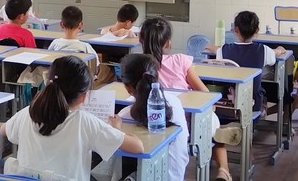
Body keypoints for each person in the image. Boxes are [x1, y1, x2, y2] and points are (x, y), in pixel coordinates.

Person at [0, 55, 144, 180]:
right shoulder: (84, 122)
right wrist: (116, 129)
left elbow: (3, 130)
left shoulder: (28, 113)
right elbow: (137, 147)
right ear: (83, 96)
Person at [140, 17, 241, 181]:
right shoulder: (180, 61)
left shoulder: (138, 65)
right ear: (168, 43)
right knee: (212, 127)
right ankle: (224, 170)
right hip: (188, 125)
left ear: (140, 40)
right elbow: (204, 93)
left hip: (149, 123)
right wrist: (211, 106)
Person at [119, 53, 189, 181]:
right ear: (156, 77)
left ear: (127, 88)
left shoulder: (125, 116)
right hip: (176, 176)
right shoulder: (175, 103)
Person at [207, 10, 287, 112]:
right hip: (253, 104)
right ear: (257, 30)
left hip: (230, 104)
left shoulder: (224, 50)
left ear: (235, 29)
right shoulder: (263, 50)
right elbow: (277, 52)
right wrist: (280, 49)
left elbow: (215, 50)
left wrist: (208, 46)